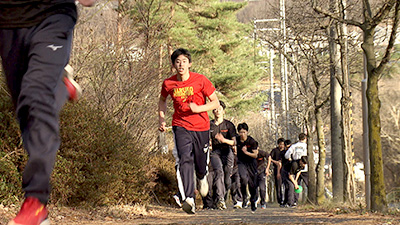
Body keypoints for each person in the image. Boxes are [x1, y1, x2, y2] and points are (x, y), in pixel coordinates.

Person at [0, 0, 94, 224]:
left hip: (52, 15)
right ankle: (61, 88)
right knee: (26, 111)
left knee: (35, 97)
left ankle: (35, 201)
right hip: (7, 22)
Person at [158, 48, 219, 214]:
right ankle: (189, 198)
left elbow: (215, 103)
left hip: (201, 127)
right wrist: (162, 119)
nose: (181, 65)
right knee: (185, 159)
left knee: (200, 163)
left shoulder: (200, 80)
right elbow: (162, 101)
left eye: (184, 61)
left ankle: (201, 177)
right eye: (177, 62)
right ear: (173, 65)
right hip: (180, 125)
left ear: (189, 64)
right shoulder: (168, 83)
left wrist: (199, 108)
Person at [209, 100, 237, 210]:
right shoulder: (209, 125)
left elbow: (234, 142)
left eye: (219, 109)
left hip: (227, 152)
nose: (217, 111)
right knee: (218, 172)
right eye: (215, 109)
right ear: (213, 111)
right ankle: (220, 199)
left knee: (227, 180)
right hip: (215, 152)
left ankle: (222, 197)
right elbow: (206, 140)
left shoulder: (229, 125)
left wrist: (224, 140)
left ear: (223, 111)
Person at [235, 123, 259, 212]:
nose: (242, 134)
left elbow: (255, 155)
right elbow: (231, 143)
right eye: (240, 132)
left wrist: (246, 152)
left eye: (244, 132)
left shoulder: (251, 141)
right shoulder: (236, 140)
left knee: (252, 184)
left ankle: (253, 200)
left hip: (251, 163)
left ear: (247, 132)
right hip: (241, 163)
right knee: (243, 178)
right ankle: (244, 198)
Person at [284, 133, 308, 205]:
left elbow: (286, 155)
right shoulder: (307, 146)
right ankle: (311, 198)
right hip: (303, 168)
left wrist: (289, 158)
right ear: (305, 139)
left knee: (296, 184)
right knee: (308, 183)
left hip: (296, 164)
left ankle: (295, 201)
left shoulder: (294, 146)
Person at [269, 138, 285, 206]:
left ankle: (286, 200)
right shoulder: (275, 151)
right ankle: (280, 200)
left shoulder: (286, 151)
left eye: (283, 144)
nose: (282, 146)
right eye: (280, 144)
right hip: (276, 169)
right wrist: (275, 162)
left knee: (286, 185)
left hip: (285, 169)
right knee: (278, 185)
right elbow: (269, 158)